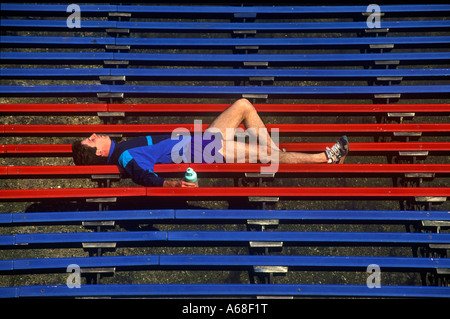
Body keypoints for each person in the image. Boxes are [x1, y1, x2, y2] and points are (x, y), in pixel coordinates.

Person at [72, 98, 349, 187]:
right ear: (97, 150)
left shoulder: (122, 149)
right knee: (266, 153)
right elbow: (143, 176)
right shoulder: (124, 157)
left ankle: (280, 156)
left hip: (202, 139)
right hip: (206, 150)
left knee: (243, 105)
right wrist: (171, 184)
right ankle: (327, 158)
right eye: (90, 138)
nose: (94, 134)